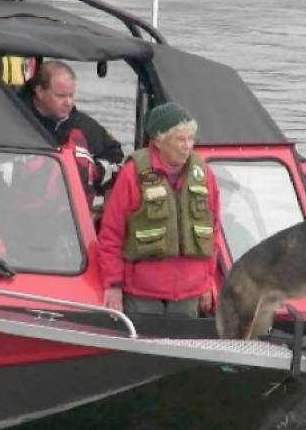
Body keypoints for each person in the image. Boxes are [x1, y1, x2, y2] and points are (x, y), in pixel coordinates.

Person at [97, 102, 221, 318]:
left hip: (189, 292)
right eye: (180, 139)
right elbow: (111, 234)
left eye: (190, 139)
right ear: (158, 141)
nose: (187, 146)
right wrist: (113, 284)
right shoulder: (131, 174)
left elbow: (213, 233)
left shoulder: (204, 174)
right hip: (142, 293)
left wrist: (208, 282)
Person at [21, 60, 124, 206]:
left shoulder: (87, 128)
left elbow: (116, 159)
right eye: (61, 96)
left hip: (71, 215)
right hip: (22, 210)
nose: (68, 102)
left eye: (71, 95)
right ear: (39, 92)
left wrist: (93, 171)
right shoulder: (15, 120)